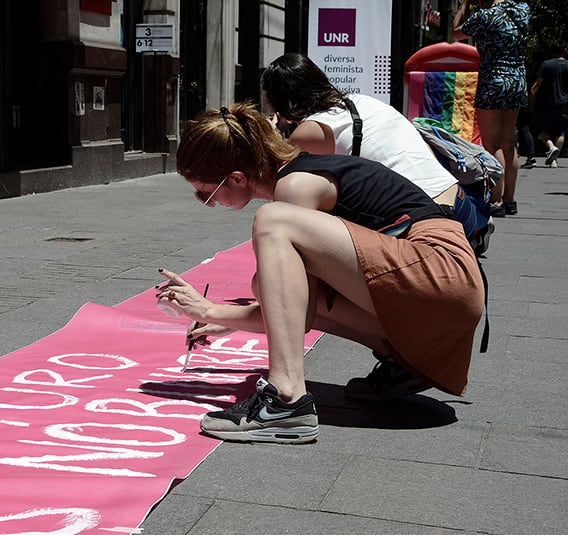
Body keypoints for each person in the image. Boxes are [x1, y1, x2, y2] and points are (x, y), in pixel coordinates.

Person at [156, 102, 485, 444]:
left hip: (440, 271)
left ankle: (286, 400)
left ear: (237, 178)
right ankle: (402, 363)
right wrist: (221, 318)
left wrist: (210, 310)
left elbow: (303, 310)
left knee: (273, 221)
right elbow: (294, 306)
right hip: (444, 299)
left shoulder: (294, 187)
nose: (205, 201)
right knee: (265, 284)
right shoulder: (303, 172)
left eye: (206, 194)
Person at [261, 53, 494, 255]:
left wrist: (270, 134)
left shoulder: (311, 131)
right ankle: (470, 239)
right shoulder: (361, 101)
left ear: (284, 102)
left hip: (429, 219)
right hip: (462, 205)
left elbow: (281, 179)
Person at [453, 0, 531, 216]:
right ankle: (510, 200)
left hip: (494, 81)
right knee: (508, 143)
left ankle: (496, 200)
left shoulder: (485, 16)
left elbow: (457, 33)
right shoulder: (522, 11)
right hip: (517, 80)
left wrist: (463, 8)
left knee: (492, 144)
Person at [530, 39, 568, 168]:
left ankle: (551, 147)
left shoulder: (546, 65)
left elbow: (538, 83)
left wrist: (532, 93)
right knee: (561, 132)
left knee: (540, 129)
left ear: (552, 51)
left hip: (546, 103)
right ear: (565, 51)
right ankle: (554, 160)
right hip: (564, 103)